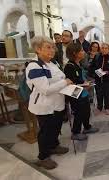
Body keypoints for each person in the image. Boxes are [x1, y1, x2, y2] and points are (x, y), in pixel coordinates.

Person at [26, 36, 73, 170]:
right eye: (48, 47)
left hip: (57, 103)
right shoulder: (34, 66)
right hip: (44, 106)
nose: (52, 50)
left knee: (55, 128)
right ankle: (43, 157)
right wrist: (65, 82)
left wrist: (71, 87)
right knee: (45, 132)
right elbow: (45, 89)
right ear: (38, 49)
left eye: (53, 47)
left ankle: (53, 146)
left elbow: (59, 81)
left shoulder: (53, 63)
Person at [64, 43, 99, 141]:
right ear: (75, 53)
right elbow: (70, 84)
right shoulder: (69, 66)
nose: (84, 52)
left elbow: (79, 79)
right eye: (82, 51)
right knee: (78, 114)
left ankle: (87, 127)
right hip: (76, 95)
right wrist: (83, 86)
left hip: (83, 93)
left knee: (86, 112)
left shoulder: (78, 64)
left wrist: (86, 83)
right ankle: (75, 132)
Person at [90, 43, 109, 115]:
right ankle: (99, 107)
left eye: (106, 48)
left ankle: (107, 108)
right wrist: (96, 72)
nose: (104, 49)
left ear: (108, 50)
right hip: (98, 80)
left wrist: (108, 72)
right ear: (100, 49)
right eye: (102, 48)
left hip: (107, 80)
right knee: (99, 94)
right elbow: (91, 67)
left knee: (107, 94)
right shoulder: (96, 57)